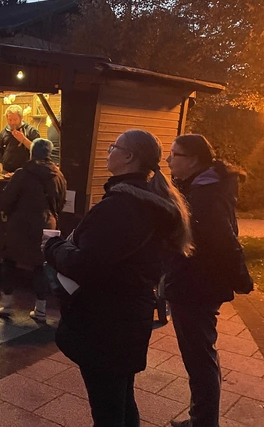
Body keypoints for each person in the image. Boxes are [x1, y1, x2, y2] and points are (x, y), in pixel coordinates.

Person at [44, 129, 192, 427]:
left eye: (114, 147)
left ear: (129, 157)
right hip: (129, 316)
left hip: (105, 321)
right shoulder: (149, 200)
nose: (109, 151)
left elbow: (84, 264)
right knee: (121, 399)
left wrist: (53, 246)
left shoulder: (122, 207)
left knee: (108, 408)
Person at [165, 134, 252, 427]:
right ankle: (201, 418)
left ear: (193, 161)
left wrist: (241, 279)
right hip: (196, 283)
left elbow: (225, 242)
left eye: (174, 154)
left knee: (199, 359)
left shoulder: (205, 196)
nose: (168, 159)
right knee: (201, 356)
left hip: (195, 287)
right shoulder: (201, 187)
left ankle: (203, 422)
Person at [0, 138, 66, 322]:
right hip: (46, 224)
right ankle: (41, 309)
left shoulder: (22, 173)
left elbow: (7, 199)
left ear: (32, 152)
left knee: (9, 261)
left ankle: (7, 305)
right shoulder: (58, 175)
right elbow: (60, 203)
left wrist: (8, 213)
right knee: (40, 266)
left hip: (19, 224)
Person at [0, 105, 41, 175]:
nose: (12, 122)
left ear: (21, 118)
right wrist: (2, 170)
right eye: (10, 120)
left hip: (26, 173)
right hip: (6, 173)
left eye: (15, 119)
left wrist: (23, 139)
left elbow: (38, 151)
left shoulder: (31, 131)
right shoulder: (4, 132)